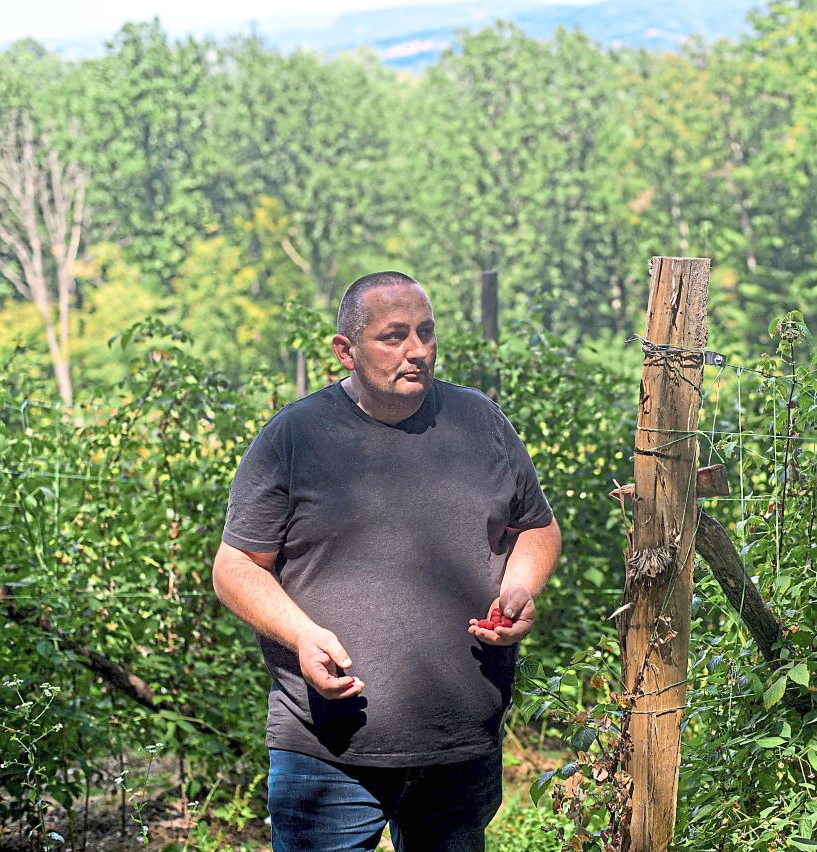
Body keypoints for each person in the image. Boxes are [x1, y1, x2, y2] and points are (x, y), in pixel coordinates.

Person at [211, 271, 562, 851]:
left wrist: (520, 586)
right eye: (394, 336)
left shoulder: (481, 423)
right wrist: (301, 635)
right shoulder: (293, 438)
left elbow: (536, 528)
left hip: (461, 741)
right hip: (327, 747)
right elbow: (236, 566)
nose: (418, 350)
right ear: (345, 350)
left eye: (426, 332)